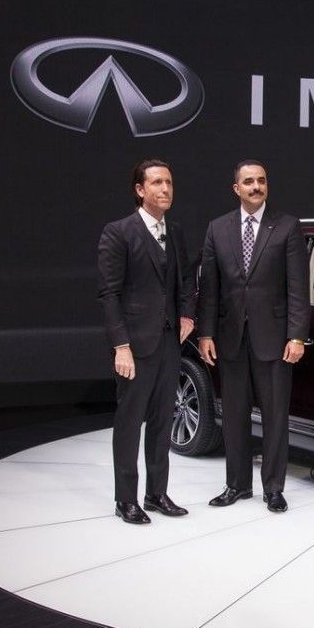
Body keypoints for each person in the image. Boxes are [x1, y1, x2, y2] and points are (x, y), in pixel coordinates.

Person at [198, 159, 310, 512]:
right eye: (248, 181)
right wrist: (205, 333)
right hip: (230, 339)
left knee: (275, 417)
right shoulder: (217, 228)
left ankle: (273, 488)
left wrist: (297, 336)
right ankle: (237, 485)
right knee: (233, 416)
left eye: (261, 180)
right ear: (237, 188)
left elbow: (298, 288)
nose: (256, 186)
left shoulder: (288, 226)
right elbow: (210, 288)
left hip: (274, 340)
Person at [97, 158, 195, 524]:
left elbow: (185, 280)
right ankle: (126, 499)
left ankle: (156, 494)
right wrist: (120, 345)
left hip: (169, 341)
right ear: (140, 190)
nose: (165, 189)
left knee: (161, 421)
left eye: (168, 182)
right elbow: (109, 294)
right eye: (156, 183)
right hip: (135, 345)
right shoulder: (118, 232)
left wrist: (188, 315)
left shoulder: (176, 231)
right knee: (129, 423)